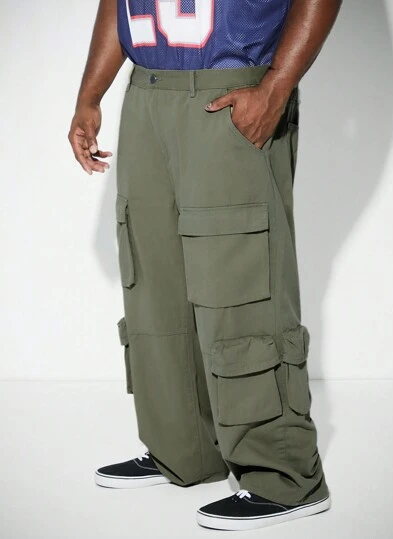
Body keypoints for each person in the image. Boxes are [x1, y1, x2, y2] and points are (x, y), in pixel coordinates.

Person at [68, 0, 342, 531]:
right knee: (155, 284)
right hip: (146, 92)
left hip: (230, 91)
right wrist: (89, 95)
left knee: (240, 284)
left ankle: (286, 478)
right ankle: (185, 451)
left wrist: (277, 86)